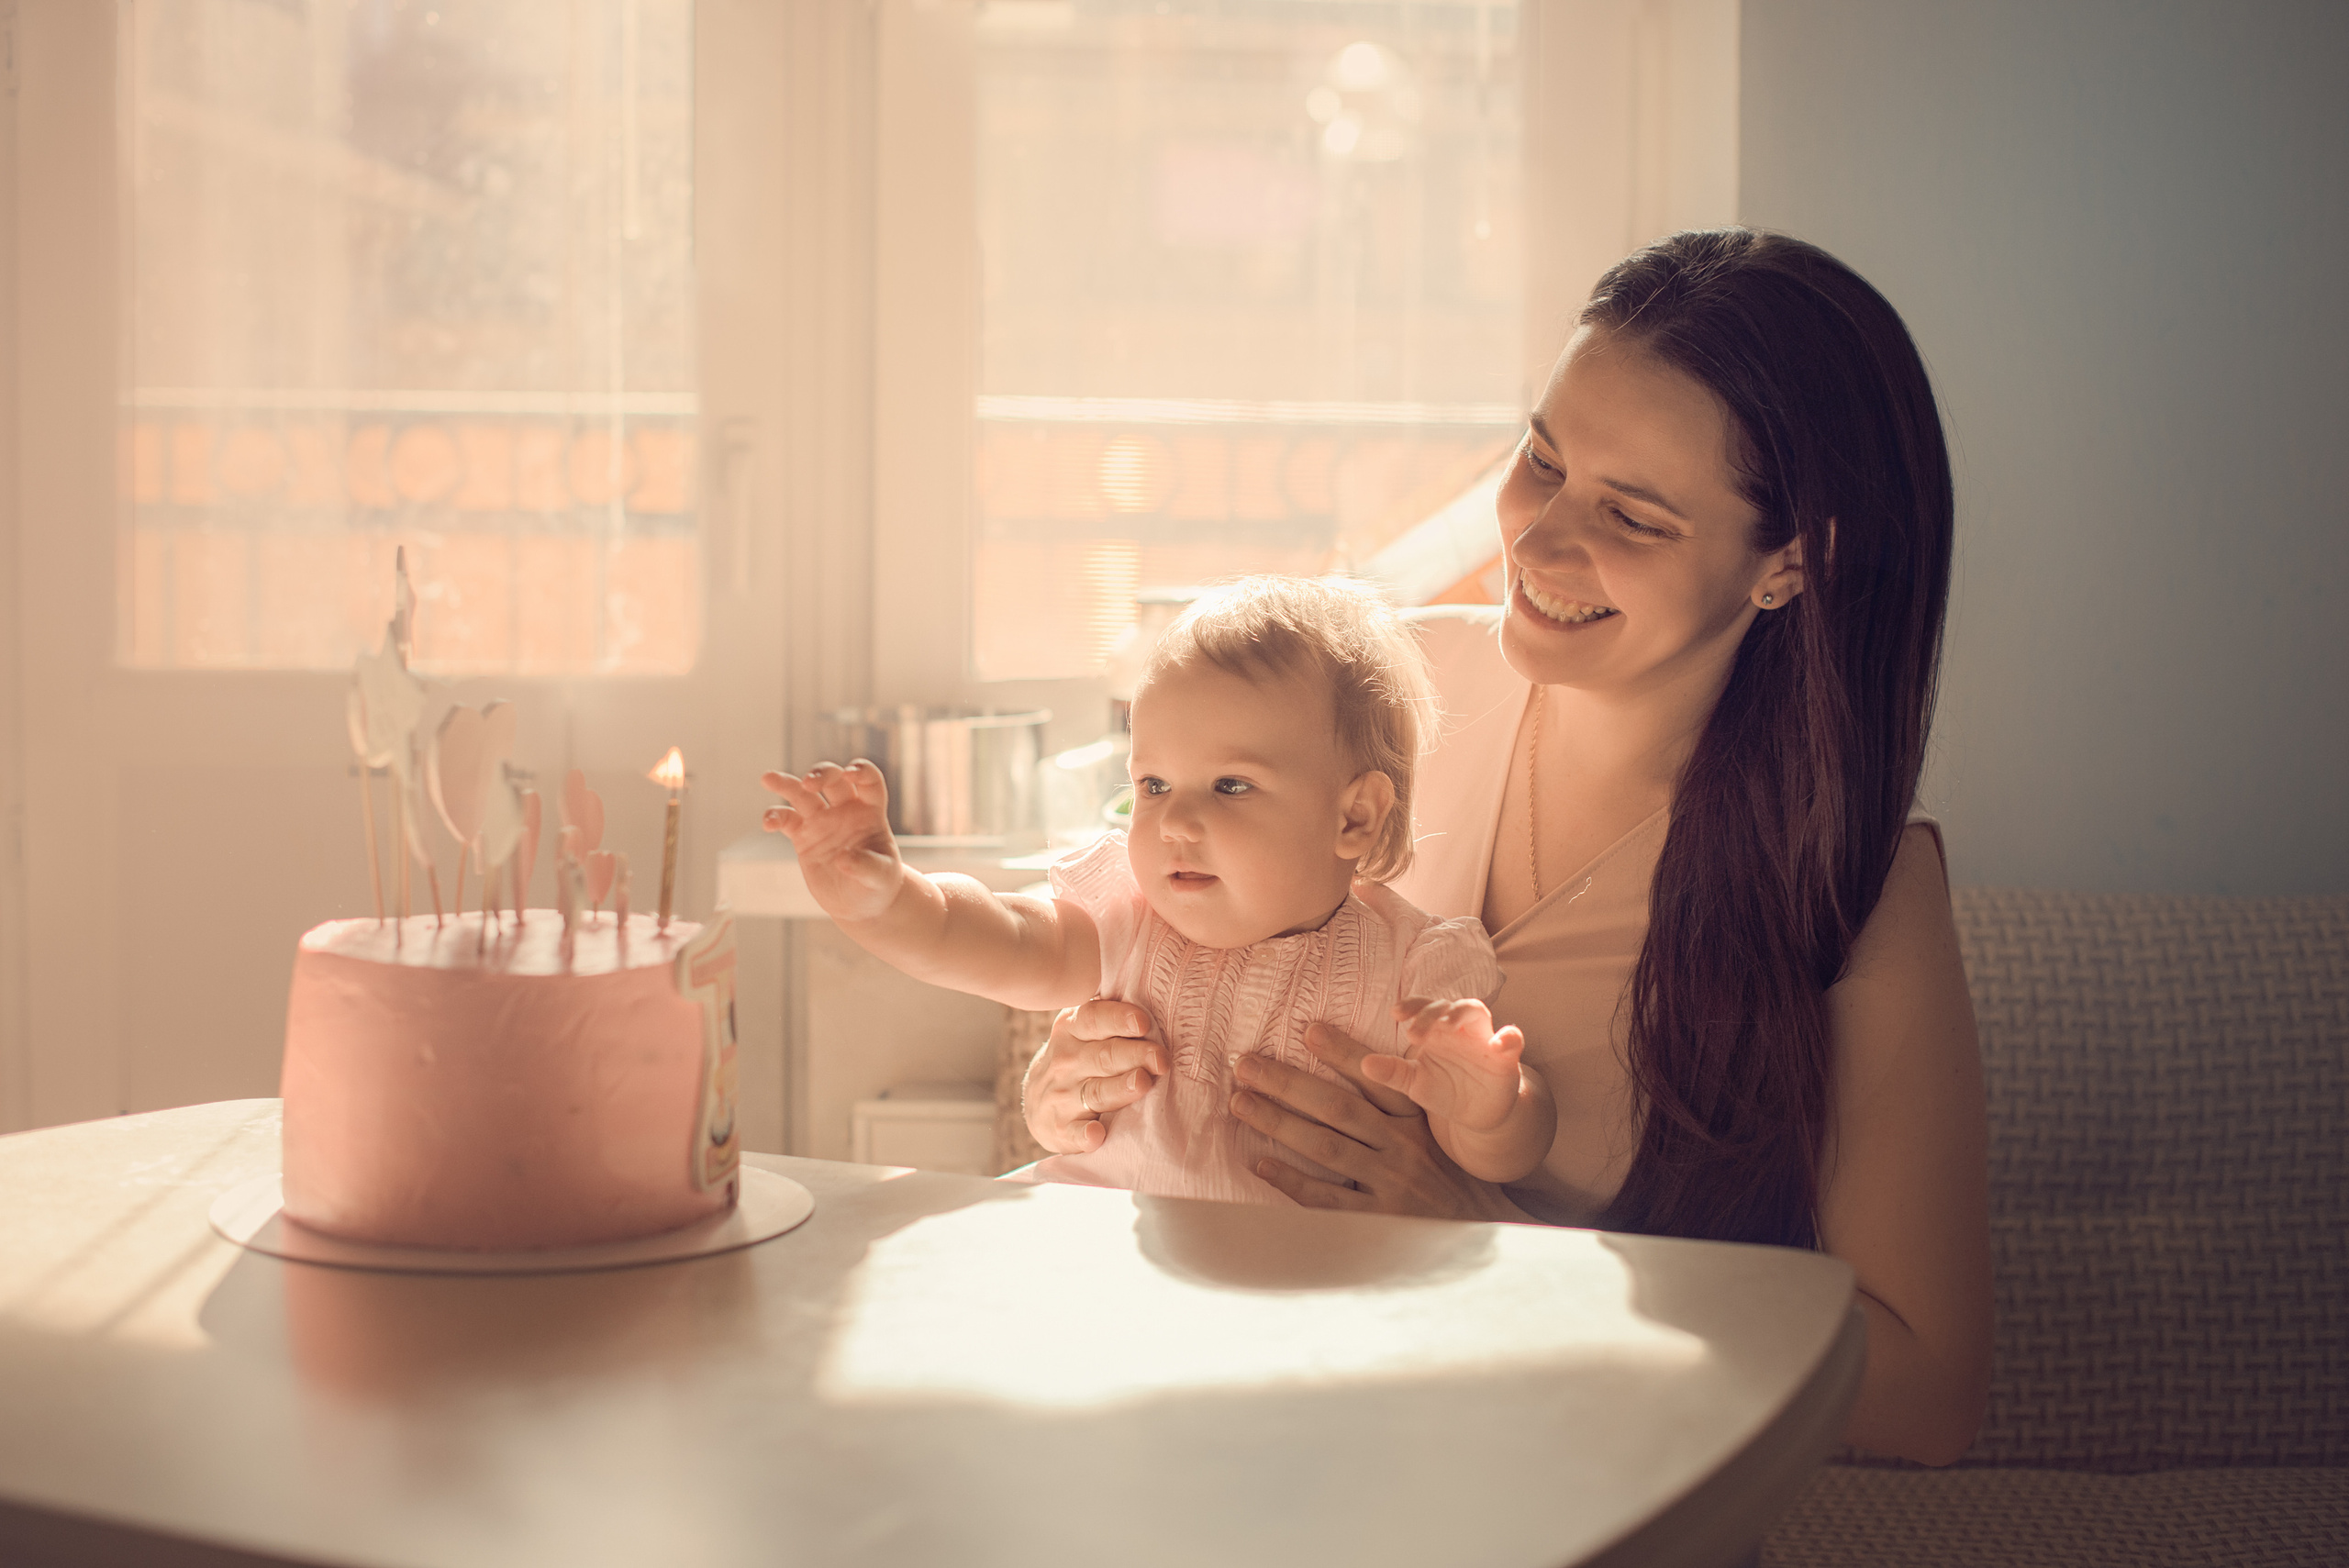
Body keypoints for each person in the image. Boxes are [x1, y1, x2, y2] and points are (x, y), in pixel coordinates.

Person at [1020, 229, 1993, 1466]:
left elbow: (1929, 1392)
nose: (1534, 545)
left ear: (1796, 561)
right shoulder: (1380, 691)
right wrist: (1079, 1091)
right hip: (1222, 1417)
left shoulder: (1851, 884)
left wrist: (1484, 1243)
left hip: (1541, 1483)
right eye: (1543, 459)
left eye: (1630, 516)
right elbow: (1151, 921)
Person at [762, 575, 1557, 1205]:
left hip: (1297, 1303)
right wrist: (887, 897)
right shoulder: (1129, 921)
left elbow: (1506, 1149)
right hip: (1103, 1275)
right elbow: (994, 939)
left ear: (1354, 816)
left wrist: (1489, 1102)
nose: (1176, 819)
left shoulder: (1417, 965)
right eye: (1153, 783)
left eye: (1231, 785)